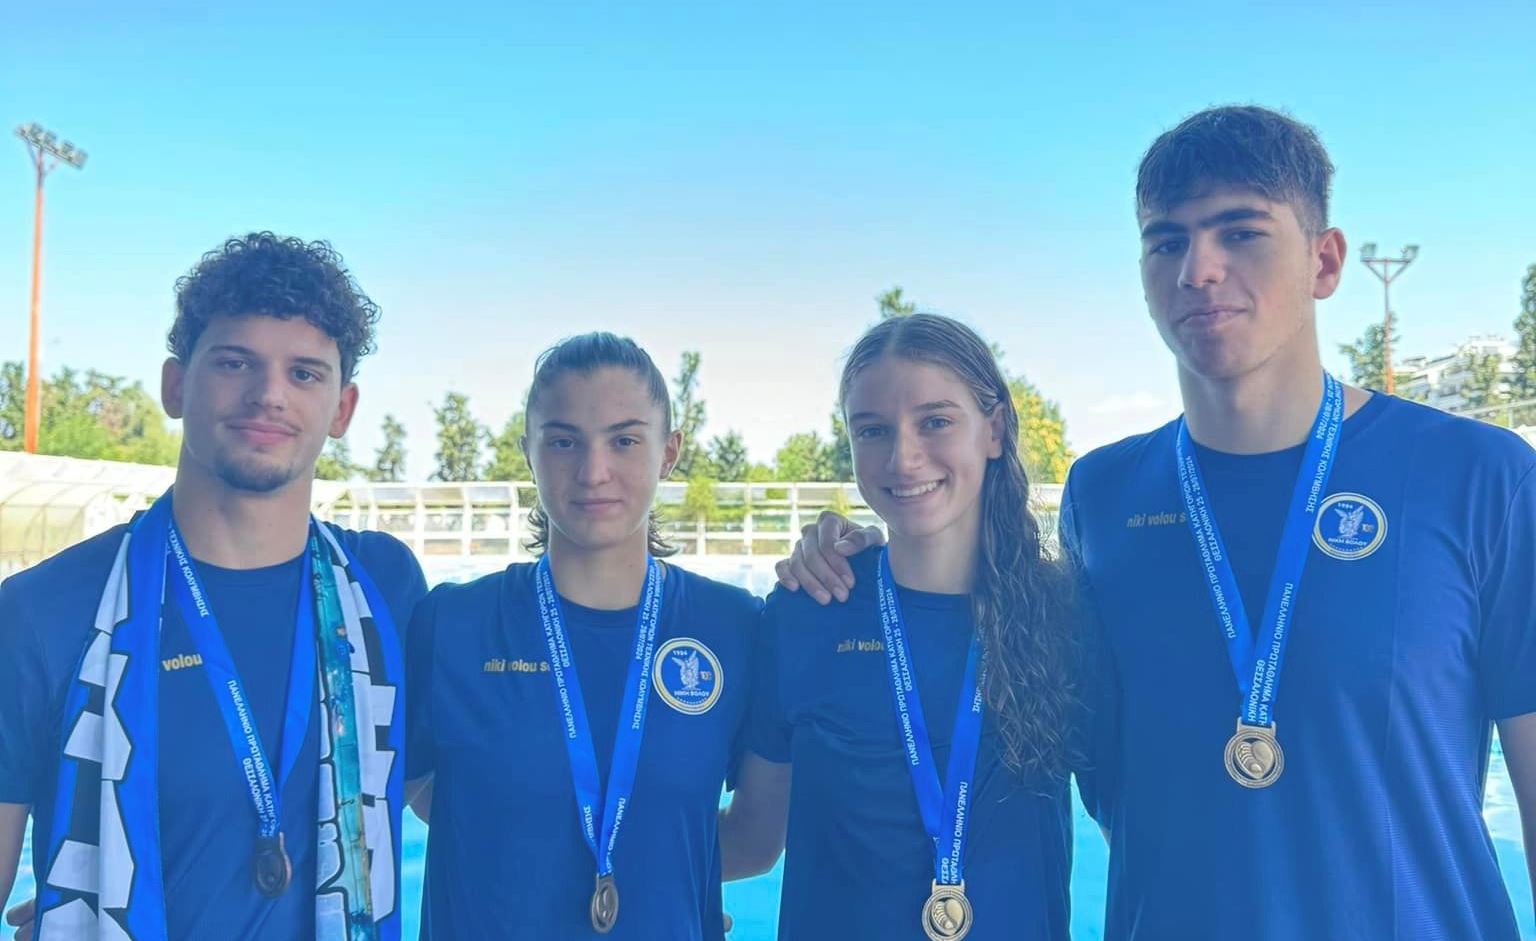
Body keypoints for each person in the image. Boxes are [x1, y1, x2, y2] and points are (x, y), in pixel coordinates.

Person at [779, 105, 1536, 939]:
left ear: (1324, 261)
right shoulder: (1104, 496)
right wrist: (847, 554)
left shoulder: (1478, 477)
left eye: (1240, 232)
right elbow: (1102, 767)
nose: (1199, 269)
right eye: (1167, 242)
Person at [0, 233, 426, 941]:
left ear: (342, 409)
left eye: (304, 373)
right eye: (235, 362)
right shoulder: (46, 610)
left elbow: (477, 795)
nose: (269, 395)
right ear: (176, 385)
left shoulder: (386, 589)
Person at [403, 332, 785, 940]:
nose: (593, 471)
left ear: (669, 452)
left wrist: (664, 880)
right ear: (528, 451)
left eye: (624, 440)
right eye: (563, 441)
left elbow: (756, 840)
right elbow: (411, 795)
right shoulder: (453, 623)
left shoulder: (734, 625)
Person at [744, 313, 1082, 940]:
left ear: (994, 430)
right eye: (873, 430)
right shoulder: (807, 611)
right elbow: (754, 837)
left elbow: (1137, 816)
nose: (903, 458)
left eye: (935, 422)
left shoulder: (1062, 613)